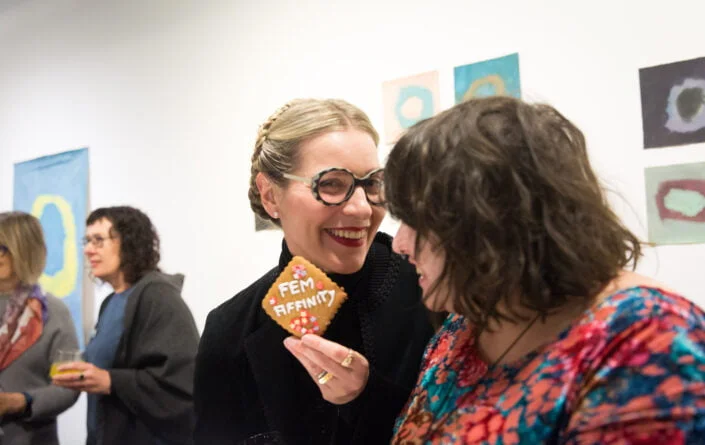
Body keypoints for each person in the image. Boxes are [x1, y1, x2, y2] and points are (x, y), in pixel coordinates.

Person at [386, 96, 705, 443]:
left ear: (490, 224)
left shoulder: (649, 339)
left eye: (415, 221)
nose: (399, 245)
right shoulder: (466, 322)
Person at [193, 98, 434, 444]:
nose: (361, 209)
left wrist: (368, 399)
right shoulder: (229, 331)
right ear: (270, 196)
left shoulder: (434, 293)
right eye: (331, 184)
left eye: (371, 184)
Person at [52, 206, 200, 445]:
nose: (88, 250)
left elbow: (181, 383)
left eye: (99, 240)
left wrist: (111, 381)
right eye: (87, 241)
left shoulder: (158, 297)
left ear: (130, 244)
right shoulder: (111, 302)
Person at [0, 211, 79, 445]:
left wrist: (20, 401)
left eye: (3, 247)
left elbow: (69, 386)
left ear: (24, 250)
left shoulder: (53, 313)